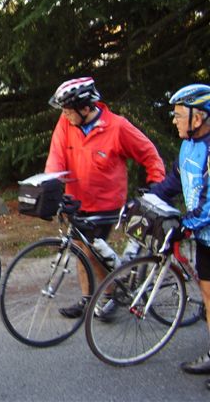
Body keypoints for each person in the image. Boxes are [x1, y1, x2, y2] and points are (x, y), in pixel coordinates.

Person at [45, 76, 166, 318]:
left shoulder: (117, 127)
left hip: (106, 203)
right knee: (80, 249)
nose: (65, 114)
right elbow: (56, 157)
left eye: (68, 110)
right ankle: (88, 299)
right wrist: (51, 187)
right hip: (76, 199)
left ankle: (110, 296)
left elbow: (149, 153)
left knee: (92, 252)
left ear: (85, 108)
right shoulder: (66, 123)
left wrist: (157, 185)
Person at [149, 83, 210, 390]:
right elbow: (174, 180)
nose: (174, 120)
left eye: (178, 115)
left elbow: (208, 205)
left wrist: (186, 223)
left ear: (197, 117)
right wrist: (149, 197)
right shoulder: (189, 145)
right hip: (205, 237)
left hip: (204, 228)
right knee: (208, 294)